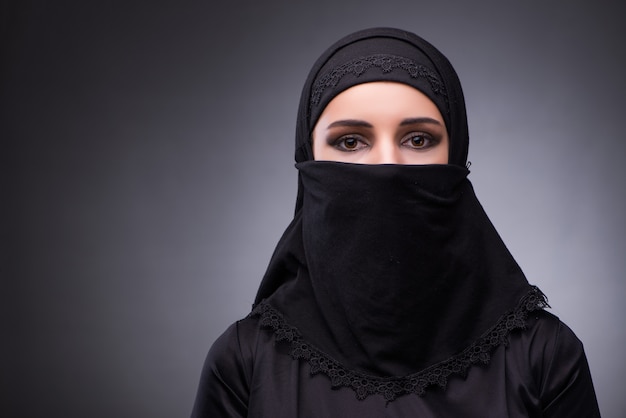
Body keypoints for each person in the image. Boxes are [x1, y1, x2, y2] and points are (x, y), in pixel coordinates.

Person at [191, 27, 601, 417]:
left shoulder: (543, 356)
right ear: (307, 159)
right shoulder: (244, 362)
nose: (387, 166)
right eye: (350, 141)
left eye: (418, 140)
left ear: (456, 155)